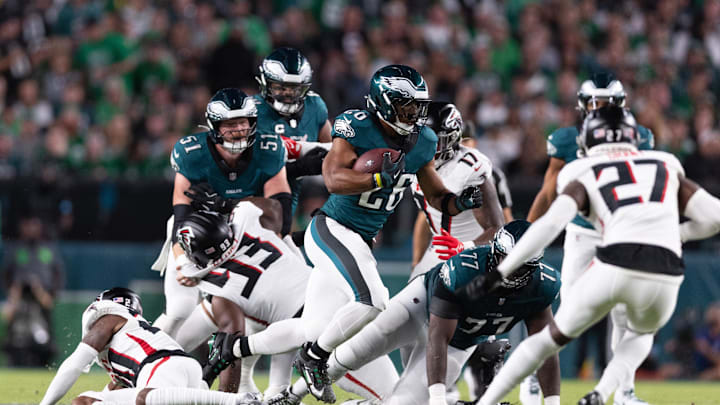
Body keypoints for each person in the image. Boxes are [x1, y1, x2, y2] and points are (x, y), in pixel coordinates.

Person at [473, 105, 720, 405]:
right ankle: (602, 393)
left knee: (548, 340)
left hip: (615, 262)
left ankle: (486, 403)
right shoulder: (665, 162)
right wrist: (677, 235)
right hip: (666, 272)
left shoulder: (582, 169)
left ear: (589, 140)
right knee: (640, 336)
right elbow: (714, 218)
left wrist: (502, 271)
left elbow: (551, 223)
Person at [276, 64, 484, 403]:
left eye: (418, 105)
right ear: (384, 102)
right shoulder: (356, 126)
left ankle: (246, 355)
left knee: (313, 328)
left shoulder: (423, 140)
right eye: (407, 105)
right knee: (373, 301)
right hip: (332, 227)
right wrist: (376, 178)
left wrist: (459, 202)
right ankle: (313, 358)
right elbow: (333, 179)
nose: (414, 112)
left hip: (360, 240)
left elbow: (435, 196)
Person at [254, 220, 560, 405]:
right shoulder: (464, 270)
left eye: (523, 265)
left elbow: (545, 348)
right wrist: (439, 398)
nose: (514, 271)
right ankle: (291, 396)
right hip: (419, 308)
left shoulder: (543, 285)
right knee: (348, 355)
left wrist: (553, 401)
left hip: (460, 342)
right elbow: (437, 337)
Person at [174, 203, 395, 401]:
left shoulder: (218, 287)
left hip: (306, 333)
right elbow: (273, 207)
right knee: (396, 395)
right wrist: (229, 203)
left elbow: (229, 338)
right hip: (330, 302)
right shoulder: (249, 220)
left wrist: (220, 389)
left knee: (394, 397)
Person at [525, 74, 654, 405]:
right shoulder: (569, 139)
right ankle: (533, 374)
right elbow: (548, 189)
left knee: (625, 314)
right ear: (584, 106)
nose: (604, 110)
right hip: (583, 232)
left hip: (621, 231)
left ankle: (625, 392)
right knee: (569, 310)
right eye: (596, 103)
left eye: (609, 103)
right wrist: (526, 231)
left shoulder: (639, 137)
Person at [152, 88, 291, 339]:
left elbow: (281, 217)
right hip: (197, 236)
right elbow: (181, 217)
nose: (238, 129)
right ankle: (136, 361)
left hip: (245, 238)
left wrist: (226, 204)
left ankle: (273, 380)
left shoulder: (269, 149)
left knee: (279, 304)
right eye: (230, 124)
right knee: (179, 310)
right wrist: (183, 261)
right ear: (215, 126)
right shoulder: (192, 154)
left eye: (242, 122)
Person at [39, 287, 261, 405]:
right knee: (92, 397)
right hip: (186, 369)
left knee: (83, 402)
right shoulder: (132, 335)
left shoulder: (109, 317)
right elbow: (113, 391)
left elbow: (74, 364)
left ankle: (235, 401)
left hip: (159, 367)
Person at [410, 101, 504, 281]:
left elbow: (497, 229)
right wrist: (416, 260)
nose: (428, 148)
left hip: (472, 254)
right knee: (397, 309)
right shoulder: (413, 161)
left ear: (452, 138)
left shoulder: (467, 168)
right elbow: (425, 216)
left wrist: (464, 247)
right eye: (423, 139)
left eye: (435, 142)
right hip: (437, 250)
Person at [254, 47, 333, 215]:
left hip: (289, 197)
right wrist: (301, 166)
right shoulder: (250, 113)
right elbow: (250, 170)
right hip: (248, 199)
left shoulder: (315, 107)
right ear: (265, 83)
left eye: (294, 88)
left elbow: (334, 151)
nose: (288, 93)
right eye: (281, 87)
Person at [2, 214, 64, 367]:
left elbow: (58, 275)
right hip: (18, 302)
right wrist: (13, 292)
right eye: (27, 225)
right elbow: (5, 275)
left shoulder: (49, 249)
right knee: (16, 337)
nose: (31, 229)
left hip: (42, 300)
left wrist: (47, 292)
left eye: (34, 225)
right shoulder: (15, 250)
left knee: (42, 337)